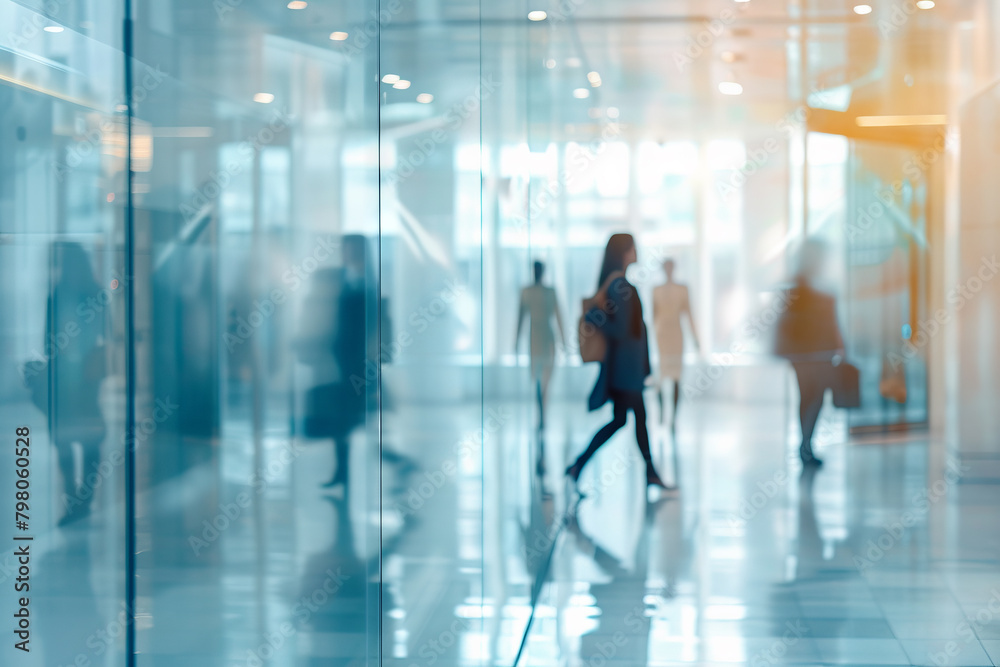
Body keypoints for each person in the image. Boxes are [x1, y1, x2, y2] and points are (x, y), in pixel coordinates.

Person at [565, 234, 668, 491]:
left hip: (628, 369)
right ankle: (649, 473)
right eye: (633, 248)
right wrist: (594, 315)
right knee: (634, 420)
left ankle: (580, 464)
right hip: (625, 371)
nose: (637, 252)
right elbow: (621, 330)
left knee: (622, 420)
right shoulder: (619, 286)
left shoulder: (620, 285)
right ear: (623, 252)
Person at [46, 242, 107, 525]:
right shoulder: (69, 293)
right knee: (76, 439)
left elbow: (50, 339)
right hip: (75, 376)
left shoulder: (69, 293)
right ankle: (79, 498)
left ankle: (80, 498)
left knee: (79, 438)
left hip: (79, 375)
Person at [775, 243, 845, 466]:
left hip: (807, 354)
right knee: (812, 398)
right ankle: (806, 443)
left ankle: (806, 443)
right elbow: (831, 323)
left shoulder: (797, 288)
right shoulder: (815, 289)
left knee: (807, 398)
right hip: (815, 353)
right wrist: (840, 347)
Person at [515, 260, 565, 431]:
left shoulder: (550, 292)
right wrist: (515, 341)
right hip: (534, 338)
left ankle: (543, 413)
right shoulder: (526, 292)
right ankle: (540, 413)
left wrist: (565, 342)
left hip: (547, 338)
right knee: (536, 377)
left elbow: (559, 317)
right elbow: (520, 318)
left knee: (546, 378)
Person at [652, 258, 700, 433]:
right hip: (662, 336)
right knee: (661, 375)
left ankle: (673, 418)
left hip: (676, 336)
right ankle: (661, 411)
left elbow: (689, 314)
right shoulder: (655, 290)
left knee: (676, 377)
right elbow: (653, 316)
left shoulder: (683, 289)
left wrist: (696, 338)